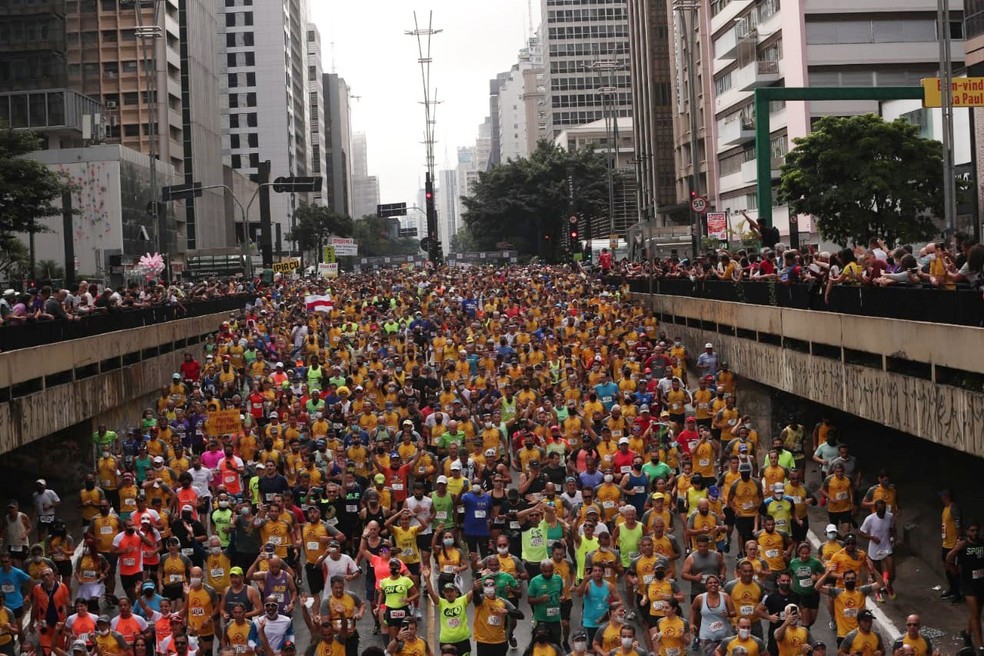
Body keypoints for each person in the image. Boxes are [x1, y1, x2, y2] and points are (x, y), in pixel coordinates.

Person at [947, 520, 984, 652]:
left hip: (981, 583)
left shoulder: (981, 543)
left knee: (977, 612)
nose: (974, 533)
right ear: (967, 531)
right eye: (972, 530)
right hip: (968, 584)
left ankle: (967, 633)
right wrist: (954, 571)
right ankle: (981, 646)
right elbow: (949, 557)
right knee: (975, 616)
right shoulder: (963, 545)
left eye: (976, 530)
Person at [421, 565, 474, 656]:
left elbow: (474, 590)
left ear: (456, 593)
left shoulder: (462, 600)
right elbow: (431, 593)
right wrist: (427, 578)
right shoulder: (442, 603)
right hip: (447, 641)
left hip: (463, 640)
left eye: (451, 591)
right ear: (444, 594)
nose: (449, 594)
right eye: (447, 592)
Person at [528, 559, 564, 644]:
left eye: (550, 571)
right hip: (541, 619)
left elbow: (561, 594)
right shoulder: (534, 581)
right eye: (545, 571)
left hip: (555, 619)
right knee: (538, 645)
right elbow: (529, 600)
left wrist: (563, 598)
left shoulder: (558, 579)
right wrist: (540, 599)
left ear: (553, 569)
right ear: (541, 569)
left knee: (556, 644)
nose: (547, 573)